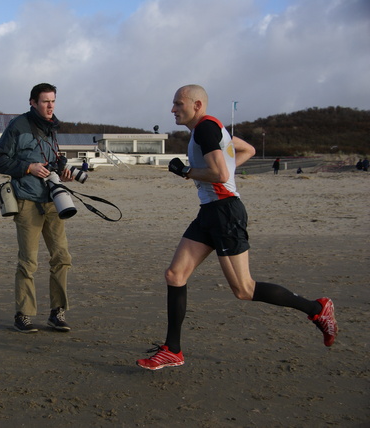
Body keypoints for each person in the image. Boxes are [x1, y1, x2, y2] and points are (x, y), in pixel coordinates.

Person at [136, 84, 338, 370]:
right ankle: (173, 350)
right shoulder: (209, 129)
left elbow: (219, 173)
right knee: (175, 274)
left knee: (243, 289)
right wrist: (220, 170)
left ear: (197, 105)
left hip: (225, 213)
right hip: (210, 212)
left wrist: (186, 172)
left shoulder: (206, 128)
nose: (172, 109)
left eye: (178, 104)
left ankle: (318, 309)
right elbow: (248, 150)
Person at [0, 83, 75, 333]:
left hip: (53, 200)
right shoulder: (18, 126)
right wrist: (29, 167)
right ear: (33, 103)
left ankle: (57, 312)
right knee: (28, 262)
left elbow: (52, 164)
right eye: (45, 101)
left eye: (53, 101)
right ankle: (23, 315)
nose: (50, 106)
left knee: (62, 257)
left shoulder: (53, 129)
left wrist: (64, 173)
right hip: (27, 201)